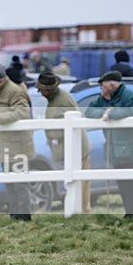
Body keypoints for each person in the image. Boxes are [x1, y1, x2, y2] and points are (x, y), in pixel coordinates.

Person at [85, 71, 133, 218]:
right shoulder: (103, 99)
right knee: (124, 185)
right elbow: (89, 111)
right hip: (117, 151)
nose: (101, 89)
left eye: (103, 86)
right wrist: (105, 113)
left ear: (112, 84)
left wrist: (112, 114)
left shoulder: (129, 96)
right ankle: (130, 214)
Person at [0, 63, 35, 220]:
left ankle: (23, 217)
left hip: (19, 146)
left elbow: (23, 112)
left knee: (20, 184)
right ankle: (14, 216)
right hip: (2, 145)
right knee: (9, 183)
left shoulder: (16, 91)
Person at [36, 72, 92, 214]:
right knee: (74, 183)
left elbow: (65, 128)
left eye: (43, 90)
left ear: (50, 89)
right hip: (70, 148)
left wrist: (51, 133)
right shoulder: (55, 100)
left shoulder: (62, 101)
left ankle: (83, 212)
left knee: (81, 186)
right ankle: (78, 212)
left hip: (77, 149)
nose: (41, 93)